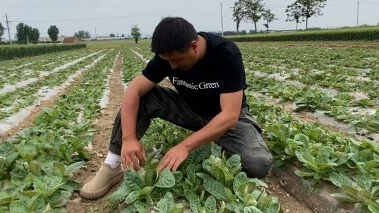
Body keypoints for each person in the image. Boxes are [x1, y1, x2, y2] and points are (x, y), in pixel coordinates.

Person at [80, 17, 273, 200]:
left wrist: (185, 146)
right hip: (190, 109)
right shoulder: (168, 57)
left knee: (257, 164)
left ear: (194, 47)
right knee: (145, 96)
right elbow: (133, 91)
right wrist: (128, 138)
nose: (172, 65)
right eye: (167, 60)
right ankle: (113, 163)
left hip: (227, 117)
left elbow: (230, 116)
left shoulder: (226, 54)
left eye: (177, 60)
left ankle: (217, 140)